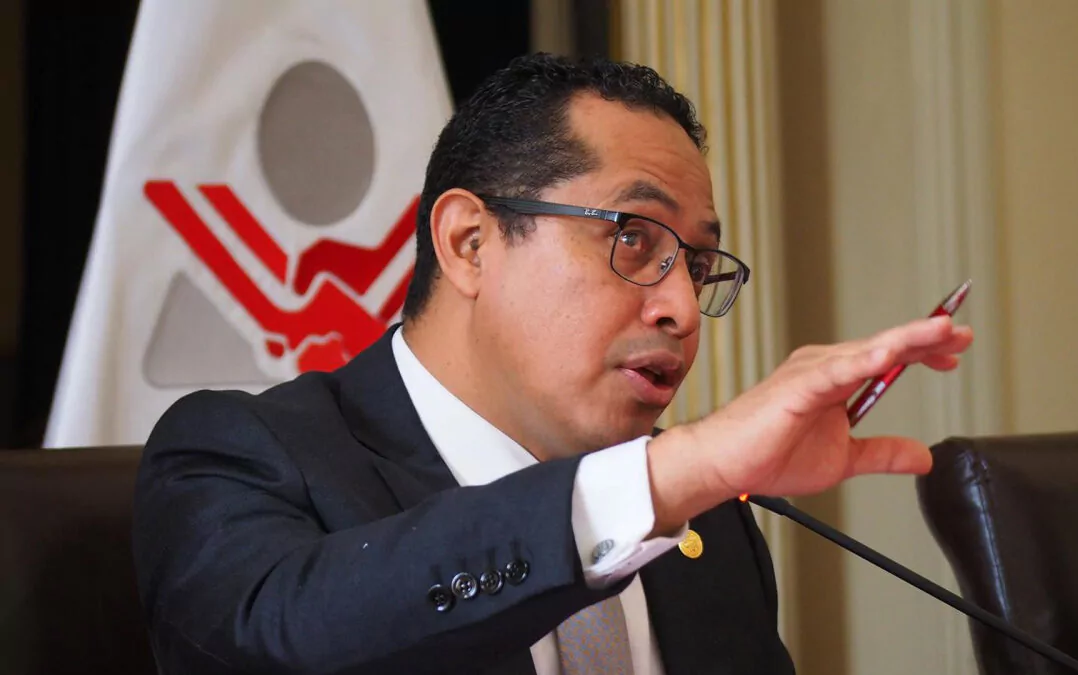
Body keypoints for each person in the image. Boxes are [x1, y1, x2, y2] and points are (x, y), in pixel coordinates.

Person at [132, 53, 973, 675]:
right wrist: (669, 476)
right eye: (633, 238)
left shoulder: (707, 523)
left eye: (698, 264)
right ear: (470, 242)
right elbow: (283, 643)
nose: (683, 307)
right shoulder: (244, 454)